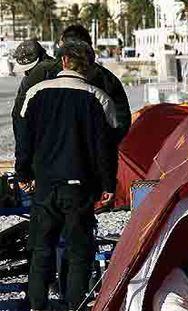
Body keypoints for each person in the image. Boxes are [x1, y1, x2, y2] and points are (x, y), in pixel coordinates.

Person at [15, 40, 117, 310]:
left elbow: (25, 140)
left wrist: (23, 173)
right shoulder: (98, 98)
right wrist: (108, 184)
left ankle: (37, 304)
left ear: (62, 62)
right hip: (79, 186)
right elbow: (104, 148)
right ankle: (76, 303)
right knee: (79, 249)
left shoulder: (36, 93)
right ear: (90, 66)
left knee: (41, 248)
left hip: (45, 184)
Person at [13, 25, 131, 145]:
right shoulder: (107, 79)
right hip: (89, 155)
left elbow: (20, 115)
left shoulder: (42, 72)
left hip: (48, 154)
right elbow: (121, 121)